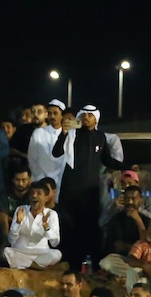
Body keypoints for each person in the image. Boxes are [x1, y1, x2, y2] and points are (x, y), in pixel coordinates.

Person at [51, 104, 125, 269]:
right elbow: (56, 152)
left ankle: (95, 268)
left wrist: (125, 166)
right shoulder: (72, 134)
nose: (86, 118)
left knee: (91, 228)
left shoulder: (101, 137)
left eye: (90, 115)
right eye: (83, 115)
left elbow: (106, 159)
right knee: (70, 227)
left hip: (90, 191)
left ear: (96, 119)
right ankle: (72, 266)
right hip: (71, 189)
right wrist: (63, 133)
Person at [3, 179, 62, 269]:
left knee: (57, 254)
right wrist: (18, 223)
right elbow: (11, 240)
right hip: (20, 251)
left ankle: (26, 264)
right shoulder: (21, 210)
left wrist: (46, 227)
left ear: (46, 198)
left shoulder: (52, 214)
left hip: (40, 253)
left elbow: (55, 243)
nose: (34, 196)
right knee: (6, 252)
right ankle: (34, 265)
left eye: (38, 193)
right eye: (32, 193)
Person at [27, 100, 71, 191]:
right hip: (41, 181)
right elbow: (32, 158)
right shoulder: (39, 132)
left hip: (62, 180)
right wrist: (42, 177)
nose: (52, 116)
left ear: (62, 115)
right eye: (49, 113)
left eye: (55, 113)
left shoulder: (69, 134)